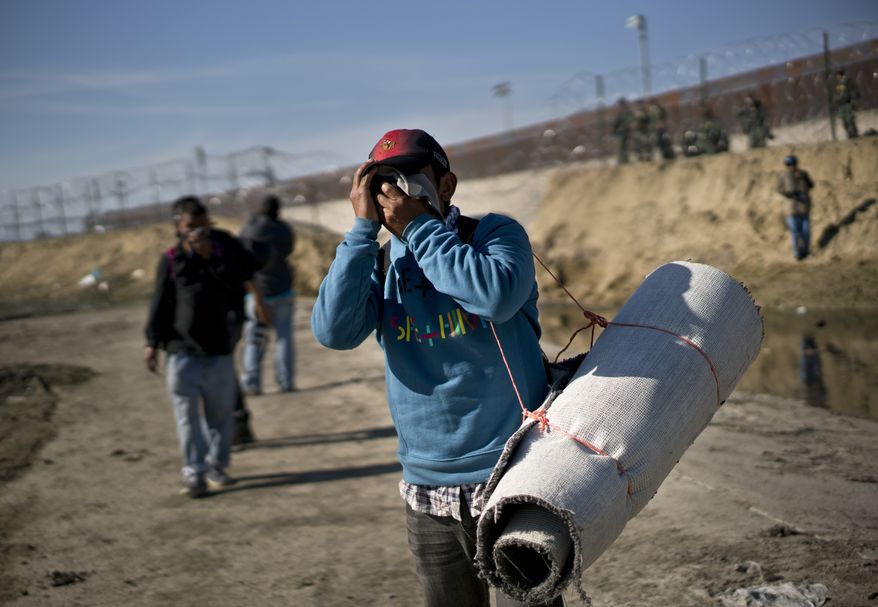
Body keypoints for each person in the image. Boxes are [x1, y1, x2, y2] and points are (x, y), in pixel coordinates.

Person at [311, 129, 560, 607]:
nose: (397, 190)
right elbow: (333, 332)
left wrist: (420, 228)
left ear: (446, 185)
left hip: (514, 472)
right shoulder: (380, 262)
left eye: (411, 177)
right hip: (429, 488)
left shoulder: (492, 235)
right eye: (385, 180)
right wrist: (363, 232)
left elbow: (495, 296)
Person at [144, 196, 268, 497]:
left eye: (203, 224)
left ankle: (216, 465)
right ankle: (194, 473)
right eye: (191, 226)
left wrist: (212, 256)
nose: (198, 231)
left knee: (220, 416)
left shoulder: (224, 245)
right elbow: (159, 303)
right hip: (181, 350)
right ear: (179, 227)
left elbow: (245, 276)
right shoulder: (172, 259)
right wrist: (151, 343)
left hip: (220, 349)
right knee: (187, 417)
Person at [239, 194, 297, 395]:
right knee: (284, 338)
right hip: (283, 288)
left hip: (258, 294)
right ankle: (286, 382)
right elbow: (289, 250)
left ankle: (252, 383)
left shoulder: (251, 229)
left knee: (255, 339)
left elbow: (241, 255)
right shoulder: (283, 229)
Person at [776, 155, 815, 261]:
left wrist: (803, 178)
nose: (791, 166)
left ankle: (805, 252)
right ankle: (797, 253)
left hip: (803, 207)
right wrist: (789, 193)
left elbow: (811, 185)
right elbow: (779, 189)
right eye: (789, 164)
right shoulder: (784, 176)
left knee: (806, 231)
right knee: (795, 232)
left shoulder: (803, 174)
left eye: (793, 164)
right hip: (791, 209)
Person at [833, 69, 859, 139]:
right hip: (841, 105)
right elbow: (839, 93)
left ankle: (854, 135)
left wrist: (853, 101)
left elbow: (852, 92)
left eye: (838, 75)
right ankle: (850, 135)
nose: (837, 77)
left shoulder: (848, 81)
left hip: (848, 104)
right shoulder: (839, 84)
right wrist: (837, 100)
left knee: (850, 120)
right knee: (845, 121)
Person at [612, 98, 634, 165]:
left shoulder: (627, 112)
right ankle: (621, 161)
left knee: (625, 147)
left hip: (626, 132)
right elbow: (615, 123)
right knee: (621, 147)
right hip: (621, 133)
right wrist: (614, 130)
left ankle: (625, 160)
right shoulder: (620, 113)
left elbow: (630, 121)